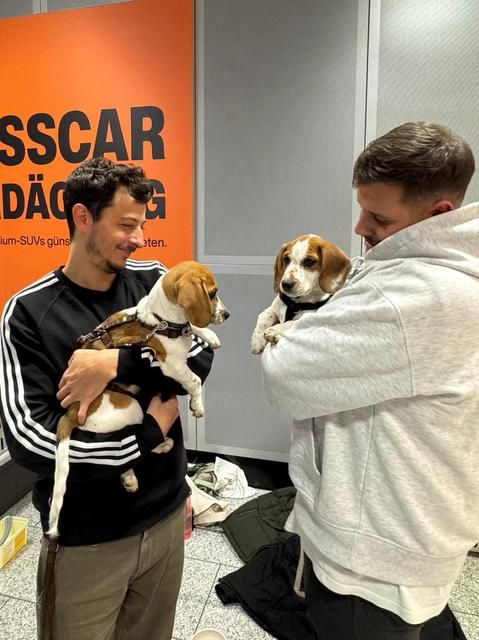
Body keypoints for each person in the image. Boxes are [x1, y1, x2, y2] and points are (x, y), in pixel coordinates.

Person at [261, 121, 478, 639]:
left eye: (378, 217)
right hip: (413, 536)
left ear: (437, 214)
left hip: (369, 565)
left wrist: (290, 330)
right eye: (362, 209)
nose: (360, 227)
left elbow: (282, 375)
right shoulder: (455, 273)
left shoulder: (406, 297)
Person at [0, 157, 213, 640]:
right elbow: (31, 440)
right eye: (126, 225)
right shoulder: (28, 313)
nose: (139, 238)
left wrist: (118, 365)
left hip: (165, 517)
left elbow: (199, 354)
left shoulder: (154, 280)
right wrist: (146, 435)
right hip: (87, 540)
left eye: (143, 224)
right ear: (82, 217)